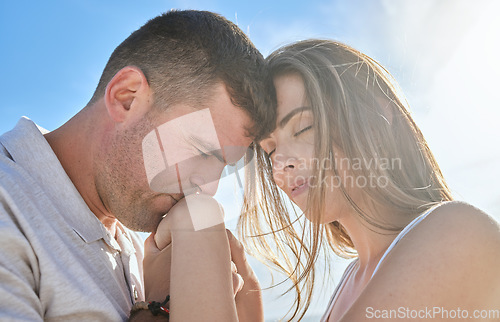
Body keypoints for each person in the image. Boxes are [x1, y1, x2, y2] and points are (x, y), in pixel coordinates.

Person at [0, 10, 273, 321]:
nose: (207, 188)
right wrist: (159, 308)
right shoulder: (9, 207)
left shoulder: (137, 247)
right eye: (201, 151)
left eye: (223, 167)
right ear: (126, 97)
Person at [240, 39, 500, 321]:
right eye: (270, 150)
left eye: (304, 127)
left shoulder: (456, 231)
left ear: (377, 116)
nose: (282, 162)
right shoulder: (351, 278)